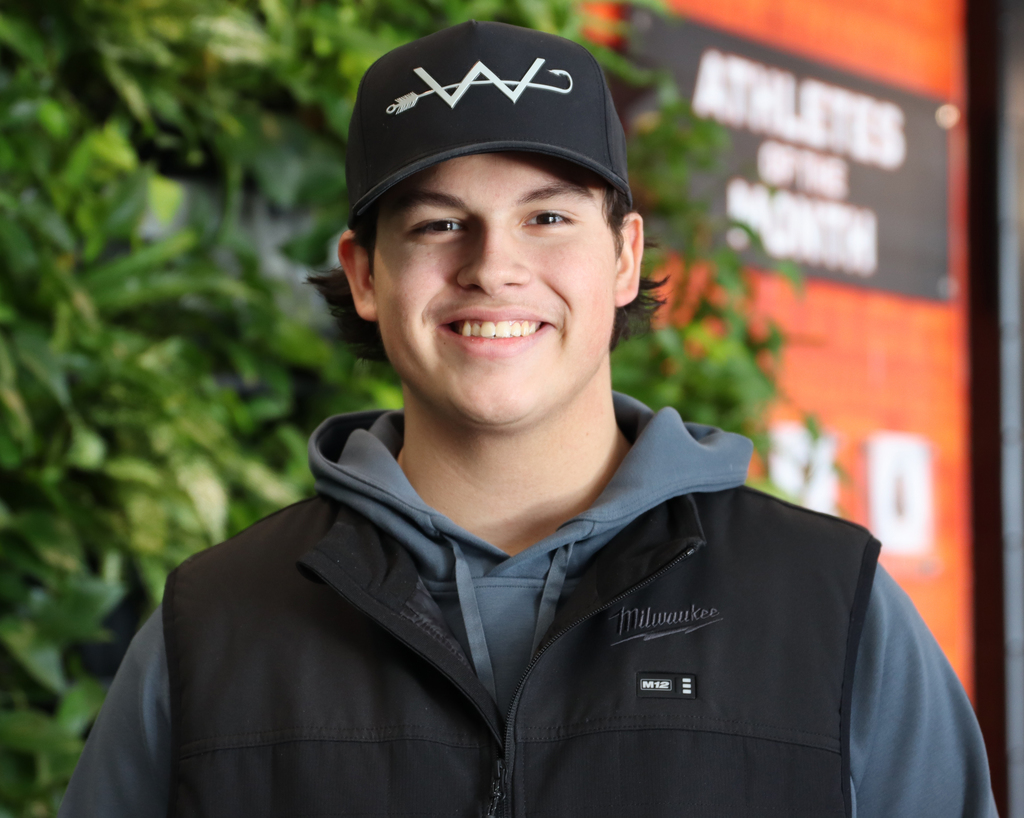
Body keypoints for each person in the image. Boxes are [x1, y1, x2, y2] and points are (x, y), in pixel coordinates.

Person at [60, 20, 997, 818]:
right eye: (436, 224)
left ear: (624, 258)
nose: (492, 268)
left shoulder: (832, 608)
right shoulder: (210, 628)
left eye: (547, 219)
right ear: (363, 275)